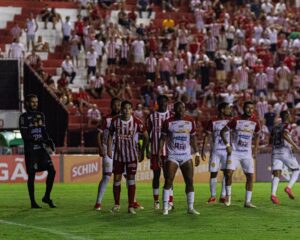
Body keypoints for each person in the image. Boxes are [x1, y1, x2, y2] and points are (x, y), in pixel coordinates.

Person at [159, 101, 200, 215]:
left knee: (189, 181)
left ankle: (190, 208)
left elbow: (193, 139)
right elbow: (162, 138)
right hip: (172, 155)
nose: (181, 110)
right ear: (174, 110)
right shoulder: (168, 122)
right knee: (168, 180)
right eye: (178, 108)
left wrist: (196, 154)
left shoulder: (190, 121)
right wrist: (159, 154)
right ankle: (165, 207)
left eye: (182, 108)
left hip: (186, 156)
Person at [108, 100, 149, 214]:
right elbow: (110, 134)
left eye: (128, 109)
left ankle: (131, 206)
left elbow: (146, 136)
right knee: (116, 179)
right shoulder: (115, 121)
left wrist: (142, 150)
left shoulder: (137, 122)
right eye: (124, 108)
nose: (126, 111)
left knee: (131, 179)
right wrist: (109, 149)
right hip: (118, 155)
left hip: (131, 155)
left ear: (132, 110)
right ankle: (116, 205)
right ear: (121, 109)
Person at [19, 94, 56, 208]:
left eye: (36, 101)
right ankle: (33, 202)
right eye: (33, 102)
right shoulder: (23, 117)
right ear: (27, 103)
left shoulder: (41, 115)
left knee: (52, 171)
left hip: (41, 149)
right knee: (32, 175)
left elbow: (43, 131)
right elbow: (25, 136)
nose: (35, 103)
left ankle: (46, 197)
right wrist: (37, 139)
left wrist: (49, 140)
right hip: (31, 151)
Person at [220, 101, 260, 208]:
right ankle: (228, 196)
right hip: (234, 152)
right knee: (228, 173)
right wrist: (227, 145)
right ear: (243, 108)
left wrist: (255, 149)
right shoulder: (236, 120)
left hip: (247, 153)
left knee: (250, 176)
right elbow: (222, 132)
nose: (250, 110)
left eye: (252, 108)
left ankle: (247, 201)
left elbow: (257, 135)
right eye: (248, 108)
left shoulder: (255, 122)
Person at [146, 95, 173, 209]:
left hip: (169, 151)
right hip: (155, 152)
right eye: (160, 102)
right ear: (157, 103)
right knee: (156, 176)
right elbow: (147, 134)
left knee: (169, 177)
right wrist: (147, 149)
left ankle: (170, 201)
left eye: (164, 102)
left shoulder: (172, 116)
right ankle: (156, 202)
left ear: (167, 102)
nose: (163, 104)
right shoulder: (152, 116)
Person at [202, 102, 231, 204]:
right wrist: (203, 150)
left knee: (226, 173)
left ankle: (223, 196)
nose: (229, 110)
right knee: (213, 173)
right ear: (222, 110)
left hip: (226, 151)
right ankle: (213, 196)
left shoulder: (230, 121)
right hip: (216, 151)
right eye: (228, 108)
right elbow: (207, 136)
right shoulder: (213, 121)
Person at [94, 98, 121, 211]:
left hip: (120, 150)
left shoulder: (123, 119)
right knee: (107, 175)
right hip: (107, 148)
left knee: (128, 176)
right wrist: (100, 147)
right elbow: (99, 134)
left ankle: (133, 202)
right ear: (111, 106)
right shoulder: (106, 119)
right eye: (115, 105)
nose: (117, 107)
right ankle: (98, 202)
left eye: (119, 105)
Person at [270, 111, 300, 204]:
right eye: (290, 115)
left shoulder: (275, 127)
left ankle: (273, 195)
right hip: (285, 152)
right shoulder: (288, 125)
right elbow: (284, 135)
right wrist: (295, 146)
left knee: (276, 174)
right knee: (297, 169)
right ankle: (289, 187)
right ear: (287, 116)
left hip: (275, 152)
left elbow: (271, 139)